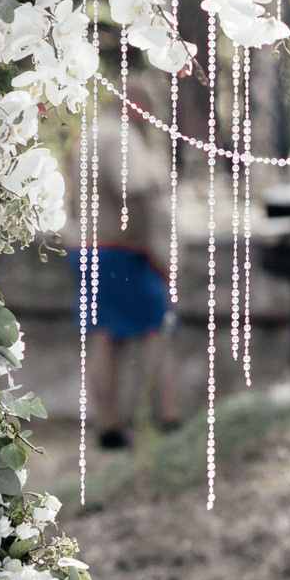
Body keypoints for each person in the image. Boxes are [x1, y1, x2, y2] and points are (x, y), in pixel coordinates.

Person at [67, 74, 181, 448]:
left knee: (105, 335)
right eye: (149, 106)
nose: (152, 116)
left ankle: (109, 426)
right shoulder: (119, 136)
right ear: (133, 102)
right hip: (119, 249)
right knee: (158, 328)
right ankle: (168, 416)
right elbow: (135, 188)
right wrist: (159, 248)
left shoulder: (87, 135)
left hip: (85, 247)